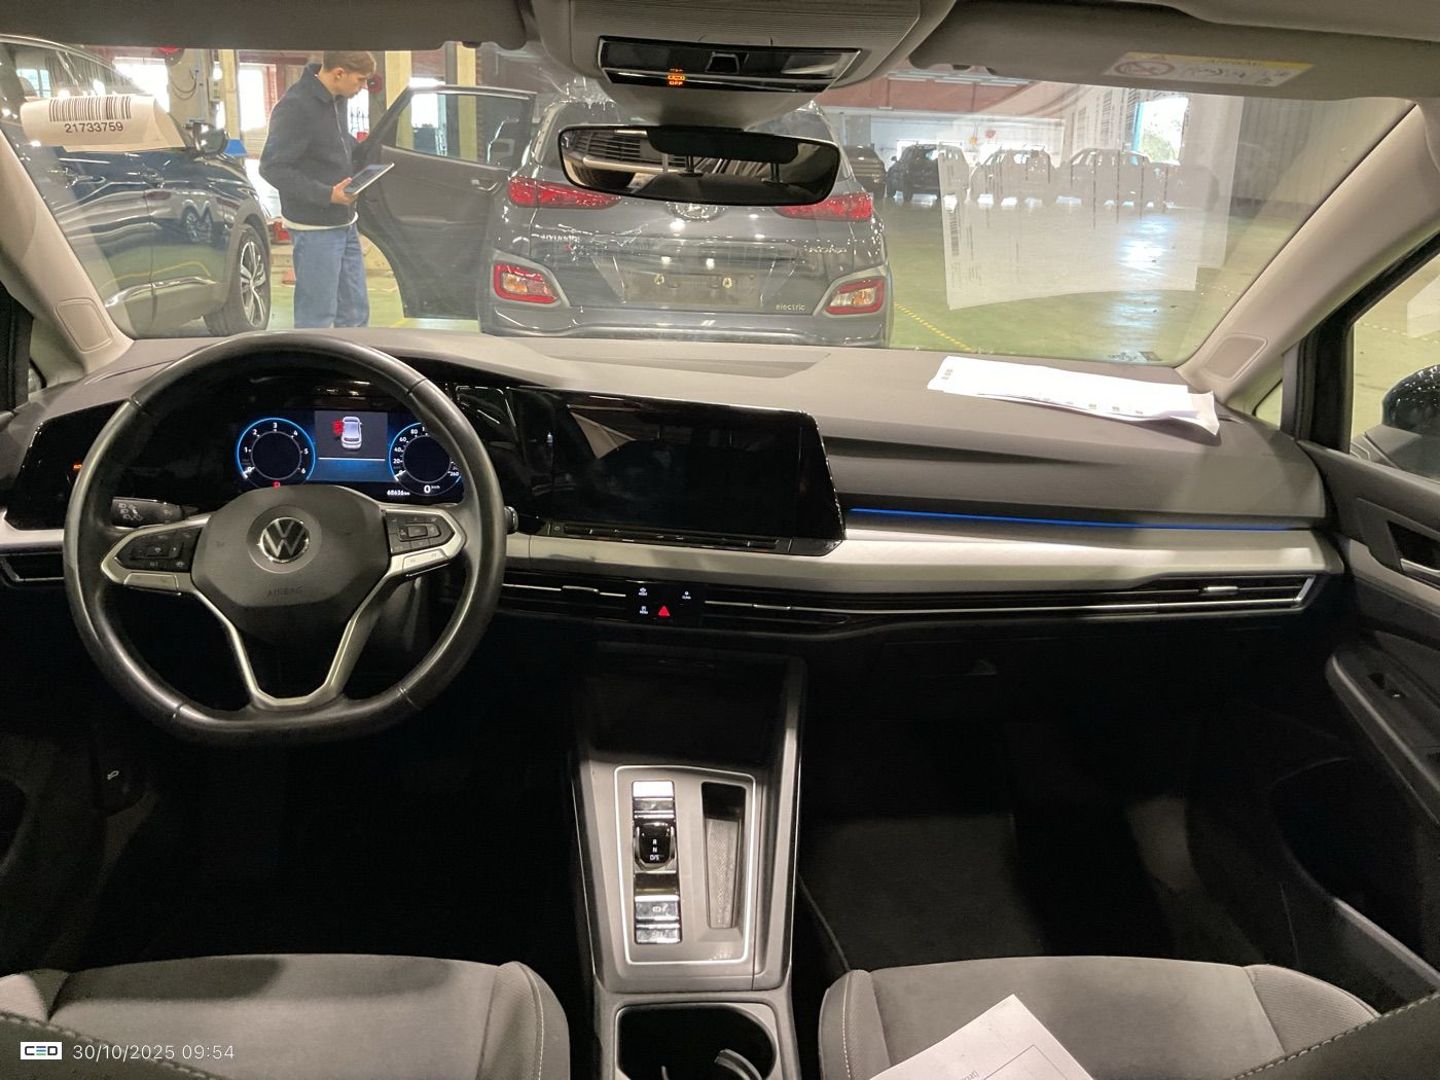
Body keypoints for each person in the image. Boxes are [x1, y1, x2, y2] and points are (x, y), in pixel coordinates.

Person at [260, 51, 376, 329]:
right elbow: (273, 167)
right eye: (360, 80)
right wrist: (327, 194)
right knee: (317, 317)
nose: (362, 87)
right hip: (315, 228)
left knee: (355, 312)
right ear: (339, 73)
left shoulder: (337, 100)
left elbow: (335, 144)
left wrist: (368, 154)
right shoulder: (295, 107)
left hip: (345, 221)